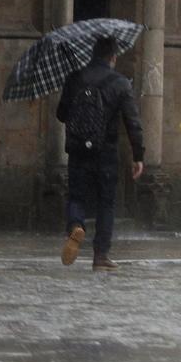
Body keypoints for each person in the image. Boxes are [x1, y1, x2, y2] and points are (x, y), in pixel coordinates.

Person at [57, 36, 145, 271]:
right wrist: (138, 155)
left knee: (76, 196)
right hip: (106, 151)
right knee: (106, 202)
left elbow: (61, 114)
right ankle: (100, 256)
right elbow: (132, 122)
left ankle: (76, 225)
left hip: (77, 150)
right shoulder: (120, 83)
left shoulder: (75, 78)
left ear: (93, 54)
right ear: (113, 57)